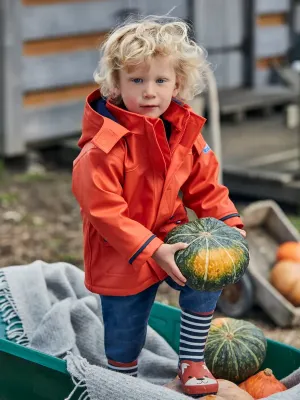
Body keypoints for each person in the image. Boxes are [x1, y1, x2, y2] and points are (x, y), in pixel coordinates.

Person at [72, 16, 246, 397]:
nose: (149, 92)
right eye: (137, 80)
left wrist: (229, 224)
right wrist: (153, 250)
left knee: (208, 270)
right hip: (120, 252)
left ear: (177, 83)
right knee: (125, 332)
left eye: (160, 81)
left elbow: (206, 185)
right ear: (116, 85)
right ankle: (123, 380)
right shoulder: (101, 150)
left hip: (171, 234)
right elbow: (104, 212)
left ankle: (191, 359)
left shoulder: (184, 132)